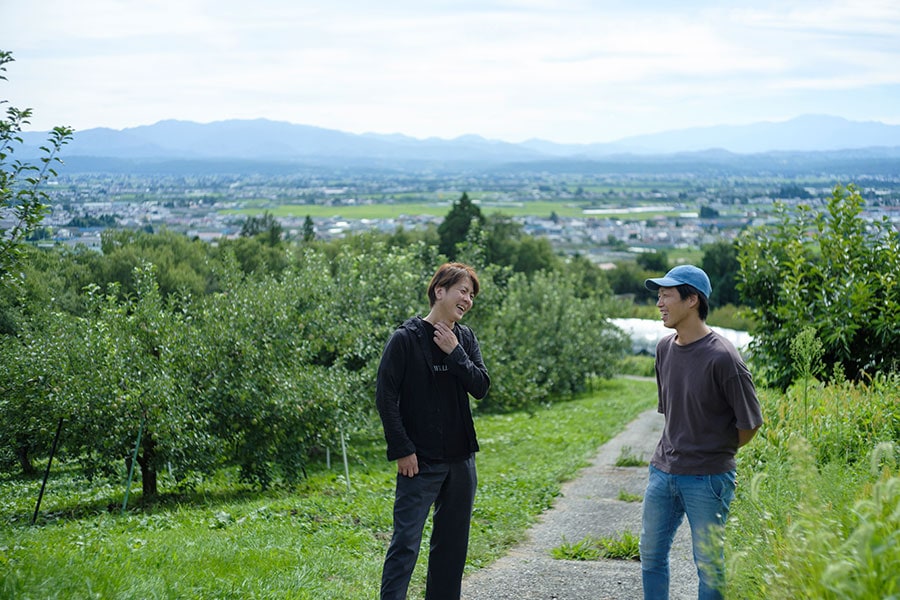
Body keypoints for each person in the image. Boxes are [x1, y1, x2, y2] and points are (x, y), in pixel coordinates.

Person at [640, 265, 763, 600]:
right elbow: (673, 413)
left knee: (709, 565)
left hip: (708, 480)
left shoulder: (723, 357)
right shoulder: (664, 349)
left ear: (692, 299)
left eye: (666, 295)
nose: (659, 303)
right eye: (659, 295)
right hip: (662, 472)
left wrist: (713, 451)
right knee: (650, 557)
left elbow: (750, 424)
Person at [376, 262, 491, 600]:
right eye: (463, 291)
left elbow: (481, 386)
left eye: (471, 295)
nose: (468, 299)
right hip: (419, 460)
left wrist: (455, 352)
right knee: (405, 544)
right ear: (439, 291)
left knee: (452, 546)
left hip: (461, 460)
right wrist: (401, 448)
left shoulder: (465, 338)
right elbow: (385, 397)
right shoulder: (405, 339)